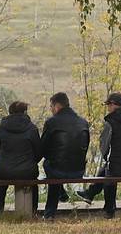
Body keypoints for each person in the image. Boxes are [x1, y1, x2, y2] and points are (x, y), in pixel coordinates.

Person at [76, 92, 121, 217]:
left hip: (118, 168)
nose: (108, 108)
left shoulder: (111, 122)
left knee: (110, 172)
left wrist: (106, 158)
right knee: (110, 167)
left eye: (108, 105)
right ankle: (90, 193)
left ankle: (109, 210)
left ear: (114, 105)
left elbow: (104, 146)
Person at [39, 91, 90, 219]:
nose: (51, 110)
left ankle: (50, 212)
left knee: (49, 164)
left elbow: (42, 149)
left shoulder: (51, 122)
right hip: (78, 170)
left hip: (57, 170)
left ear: (57, 106)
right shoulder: (83, 122)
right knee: (55, 168)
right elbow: (85, 147)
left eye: (51, 107)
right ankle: (59, 198)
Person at [0, 99, 42, 215]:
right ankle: (32, 212)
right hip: (27, 171)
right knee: (33, 183)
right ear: (25, 112)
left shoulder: (1, 128)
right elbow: (39, 152)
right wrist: (30, 162)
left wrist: (4, 161)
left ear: (10, 112)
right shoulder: (32, 129)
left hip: (3, 170)